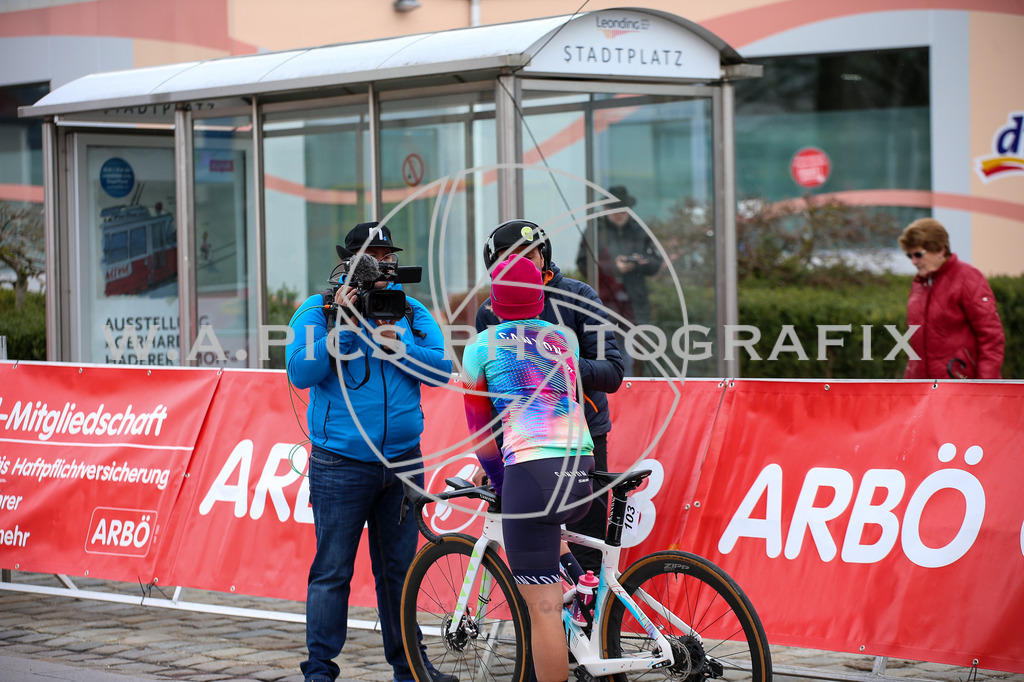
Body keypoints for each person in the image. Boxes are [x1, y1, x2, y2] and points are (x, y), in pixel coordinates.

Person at [286, 222, 454, 682]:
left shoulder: (410, 309)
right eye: (371, 255)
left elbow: (441, 371)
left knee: (401, 572)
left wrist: (401, 350)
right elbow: (300, 372)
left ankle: (410, 668)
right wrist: (332, 339)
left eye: (387, 255)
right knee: (333, 571)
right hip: (340, 464)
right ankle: (319, 671)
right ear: (348, 260)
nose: (382, 264)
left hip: (403, 463)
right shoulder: (316, 310)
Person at [462, 254, 594, 682]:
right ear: (541, 298)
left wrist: (501, 482)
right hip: (582, 467)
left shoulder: (481, 346)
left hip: (533, 473)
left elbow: (480, 433)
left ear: (494, 304)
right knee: (551, 539)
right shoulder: (564, 339)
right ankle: (584, 592)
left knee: (543, 614)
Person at [475, 219, 623, 573]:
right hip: (522, 447)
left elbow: (613, 372)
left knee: (587, 553)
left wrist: (560, 366)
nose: (527, 262)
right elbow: (488, 397)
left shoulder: (579, 296)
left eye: (534, 253)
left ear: (546, 256)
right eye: (515, 256)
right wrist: (492, 459)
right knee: (539, 558)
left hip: (582, 438)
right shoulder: (488, 313)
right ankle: (557, 622)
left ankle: (593, 625)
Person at [898, 218, 1004, 379]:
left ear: (941, 250)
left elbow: (991, 338)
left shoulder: (968, 278)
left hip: (963, 389)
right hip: (924, 391)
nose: (914, 261)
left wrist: (985, 389)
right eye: (909, 256)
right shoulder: (920, 284)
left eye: (919, 254)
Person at [576, 185, 662, 375]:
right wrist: (613, 268)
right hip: (604, 301)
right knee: (603, 350)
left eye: (623, 208)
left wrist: (637, 264)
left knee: (634, 353)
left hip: (634, 303)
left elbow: (657, 261)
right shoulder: (594, 230)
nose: (620, 213)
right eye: (615, 208)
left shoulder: (639, 230)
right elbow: (583, 264)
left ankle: (630, 390)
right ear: (606, 209)